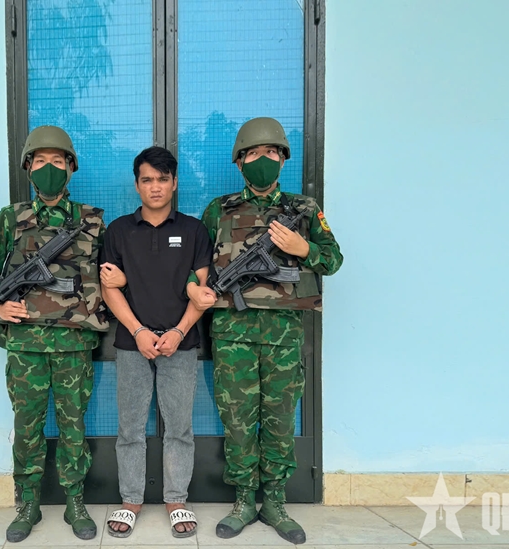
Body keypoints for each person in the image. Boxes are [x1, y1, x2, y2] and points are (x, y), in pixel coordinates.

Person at [192, 117, 343, 544]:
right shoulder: (219, 210)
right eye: (254, 153)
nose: (263, 159)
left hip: (283, 336)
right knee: (238, 421)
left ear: (283, 159)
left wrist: (303, 248)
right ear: (240, 162)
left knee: (279, 420)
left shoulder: (305, 209)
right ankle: (243, 500)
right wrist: (195, 289)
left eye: (271, 152)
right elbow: (196, 264)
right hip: (233, 334)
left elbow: (332, 260)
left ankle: (274, 501)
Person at [0, 126, 109, 543]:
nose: (50, 168)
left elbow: (112, 272)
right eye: (42, 161)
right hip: (25, 344)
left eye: (58, 161)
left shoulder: (91, 220)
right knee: (28, 426)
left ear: (71, 168)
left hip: (73, 342)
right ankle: (28, 502)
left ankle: (74, 501)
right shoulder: (10, 218)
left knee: (72, 426)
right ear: (29, 168)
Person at [99, 146, 212, 539]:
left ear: (175, 182)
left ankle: (176, 500)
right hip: (133, 344)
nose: (156, 187)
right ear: (137, 185)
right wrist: (138, 331)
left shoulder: (195, 230)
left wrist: (179, 331)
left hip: (181, 343)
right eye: (147, 179)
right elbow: (109, 288)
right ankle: (130, 500)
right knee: (130, 427)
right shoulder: (118, 231)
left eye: (163, 179)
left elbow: (201, 290)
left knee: (179, 427)